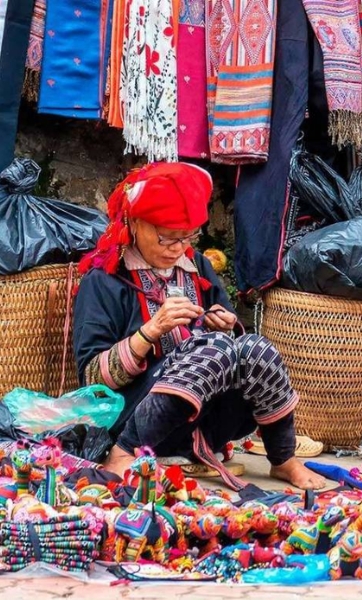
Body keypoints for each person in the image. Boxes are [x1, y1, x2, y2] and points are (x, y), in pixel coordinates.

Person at [72, 162, 325, 490]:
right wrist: (150, 332)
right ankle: (122, 454)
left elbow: (234, 351)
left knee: (255, 349)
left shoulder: (198, 267)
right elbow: (91, 380)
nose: (177, 249)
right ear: (134, 223)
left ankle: (283, 458)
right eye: (166, 238)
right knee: (212, 349)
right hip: (132, 419)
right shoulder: (104, 281)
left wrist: (228, 326)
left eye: (187, 238)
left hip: (205, 422)